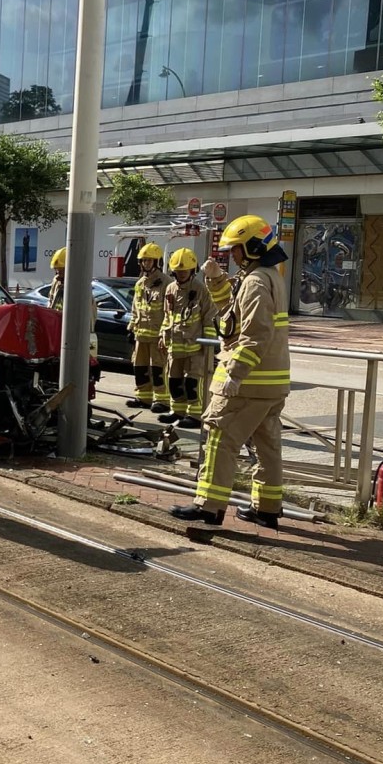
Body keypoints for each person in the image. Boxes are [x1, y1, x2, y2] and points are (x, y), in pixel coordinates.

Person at [171, 215, 291, 529]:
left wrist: (235, 374)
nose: (232, 255)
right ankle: (267, 508)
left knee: (219, 437)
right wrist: (216, 282)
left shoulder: (254, 281)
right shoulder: (269, 276)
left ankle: (208, 506)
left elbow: (254, 335)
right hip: (270, 383)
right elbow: (229, 321)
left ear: (253, 247)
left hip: (248, 383)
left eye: (236, 249)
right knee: (267, 445)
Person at [157, 247, 217, 429]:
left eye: (185, 270)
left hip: (195, 347)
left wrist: (209, 345)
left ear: (193, 270)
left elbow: (209, 318)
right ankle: (178, 411)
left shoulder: (201, 290)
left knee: (192, 383)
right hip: (174, 346)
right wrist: (162, 335)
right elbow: (167, 316)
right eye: (178, 270)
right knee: (174, 381)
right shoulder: (170, 289)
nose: (182, 273)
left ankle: (196, 415)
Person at [126, 242, 169, 413]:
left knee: (158, 368)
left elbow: (169, 312)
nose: (146, 264)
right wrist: (131, 328)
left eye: (150, 261)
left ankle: (161, 400)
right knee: (140, 367)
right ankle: (143, 397)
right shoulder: (140, 284)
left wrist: (165, 334)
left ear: (157, 262)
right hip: (140, 334)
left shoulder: (167, 283)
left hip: (157, 335)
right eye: (144, 261)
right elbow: (136, 308)